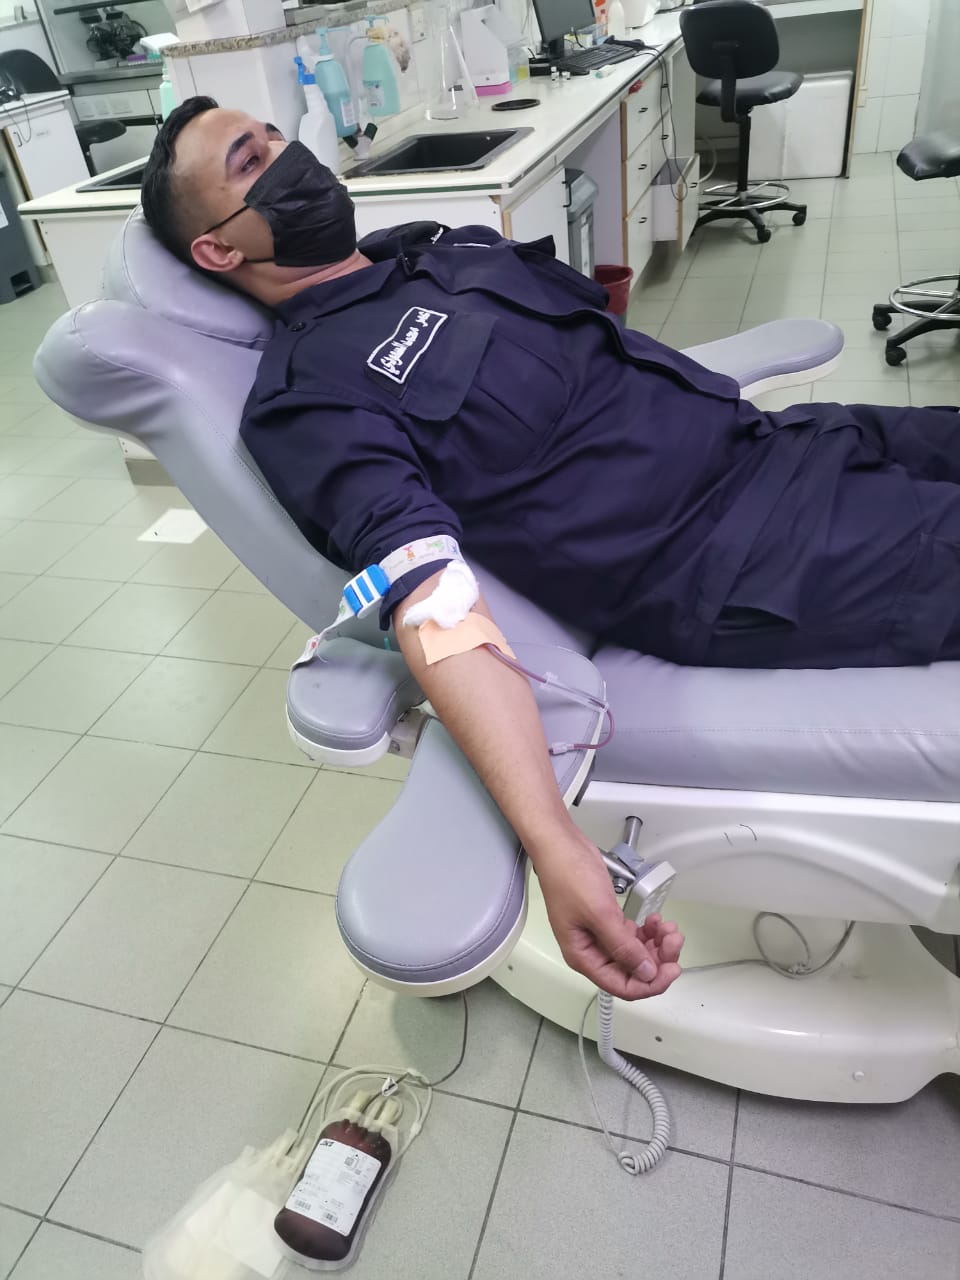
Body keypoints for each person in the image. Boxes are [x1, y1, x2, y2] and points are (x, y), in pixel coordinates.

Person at [141, 98, 960, 1002]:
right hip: (746, 557)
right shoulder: (308, 402)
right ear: (218, 250)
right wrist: (557, 845)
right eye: (250, 162)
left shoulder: (432, 250)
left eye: (274, 135)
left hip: (787, 442)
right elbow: (432, 601)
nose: (287, 156)